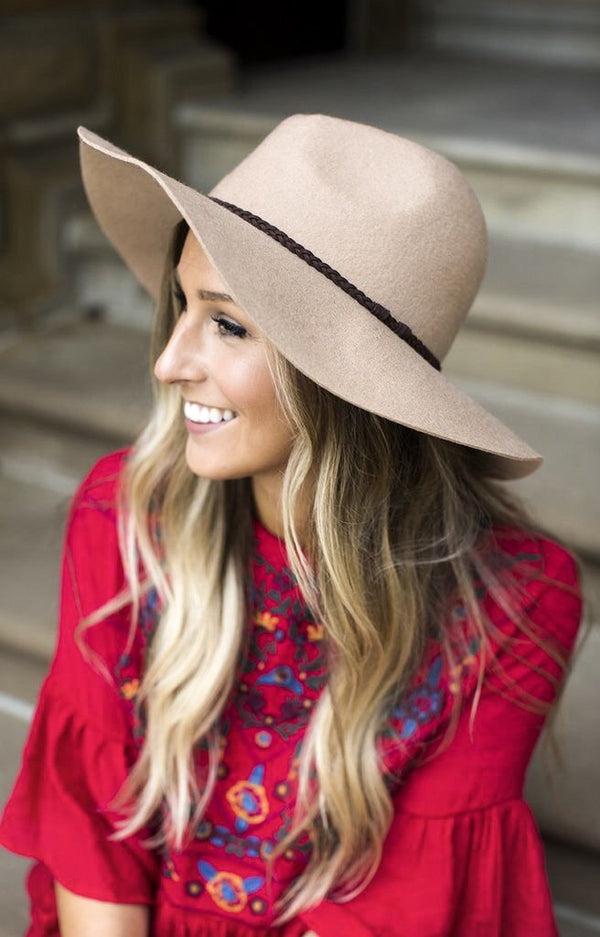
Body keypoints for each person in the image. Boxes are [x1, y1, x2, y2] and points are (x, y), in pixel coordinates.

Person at [0, 114, 583, 937]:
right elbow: (92, 826)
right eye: (181, 307)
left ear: (340, 384)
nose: (169, 362)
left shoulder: (516, 600)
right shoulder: (128, 513)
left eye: (228, 323)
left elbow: (396, 911)